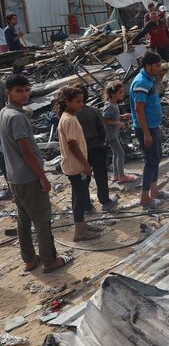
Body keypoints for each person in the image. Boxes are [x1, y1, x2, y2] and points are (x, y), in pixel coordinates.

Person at [0, 74, 70, 272]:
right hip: (28, 177)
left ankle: (30, 259)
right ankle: (50, 260)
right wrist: (42, 177)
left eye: (27, 90)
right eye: (19, 91)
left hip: (15, 177)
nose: (24, 95)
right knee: (42, 220)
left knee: (24, 219)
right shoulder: (16, 117)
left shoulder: (4, 113)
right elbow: (26, 151)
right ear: (8, 93)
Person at [55, 86, 102, 242]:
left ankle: (82, 225)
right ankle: (79, 232)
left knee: (78, 196)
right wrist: (85, 165)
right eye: (78, 101)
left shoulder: (70, 116)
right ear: (67, 102)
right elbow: (72, 144)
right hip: (76, 165)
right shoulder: (68, 119)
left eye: (82, 101)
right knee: (80, 198)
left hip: (75, 164)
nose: (81, 104)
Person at [130, 52, 167, 209]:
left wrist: (159, 78)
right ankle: (145, 198)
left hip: (153, 126)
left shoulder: (149, 79)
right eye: (157, 66)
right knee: (150, 161)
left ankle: (154, 191)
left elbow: (152, 96)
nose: (160, 68)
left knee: (156, 158)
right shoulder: (141, 83)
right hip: (147, 129)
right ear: (148, 66)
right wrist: (146, 133)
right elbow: (139, 110)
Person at [76, 85, 117, 212]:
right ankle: (105, 201)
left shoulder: (70, 115)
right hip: (96, 147)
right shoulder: (93, 111)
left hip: (80, 151)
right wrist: (102, 142)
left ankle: (86, 206)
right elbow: (102, 130)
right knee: (101, 176)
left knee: (84, 178)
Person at [102, 81, 136, 184]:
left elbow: (112, 117)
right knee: (121, 153)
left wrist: (122, 116)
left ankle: (116, 175)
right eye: (120, 92)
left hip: (113, 134)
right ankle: (122, 176)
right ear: (113, 94)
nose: (123, 94)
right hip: (111, 134)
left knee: (116, 153)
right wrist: (118, 123)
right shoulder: (110, 106)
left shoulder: (113, 105)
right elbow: (104, 120)